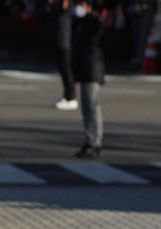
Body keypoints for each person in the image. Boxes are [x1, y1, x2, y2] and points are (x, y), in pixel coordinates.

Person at [71, 0, 105, 157]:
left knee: (91, 105)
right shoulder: (80, 22)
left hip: (92, 69)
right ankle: (90, 140)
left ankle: (94, 142)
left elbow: (97, 38)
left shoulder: (93, 22)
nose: (78, 7)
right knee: (87, 106)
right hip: (84, 69)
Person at [49, 0, 78, 109]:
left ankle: (71, 97)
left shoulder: (66, 4)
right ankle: (68, 96)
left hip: (64, 41)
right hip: (60, 40)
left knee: (66, 69)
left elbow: (64, 7)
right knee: (63, 69)